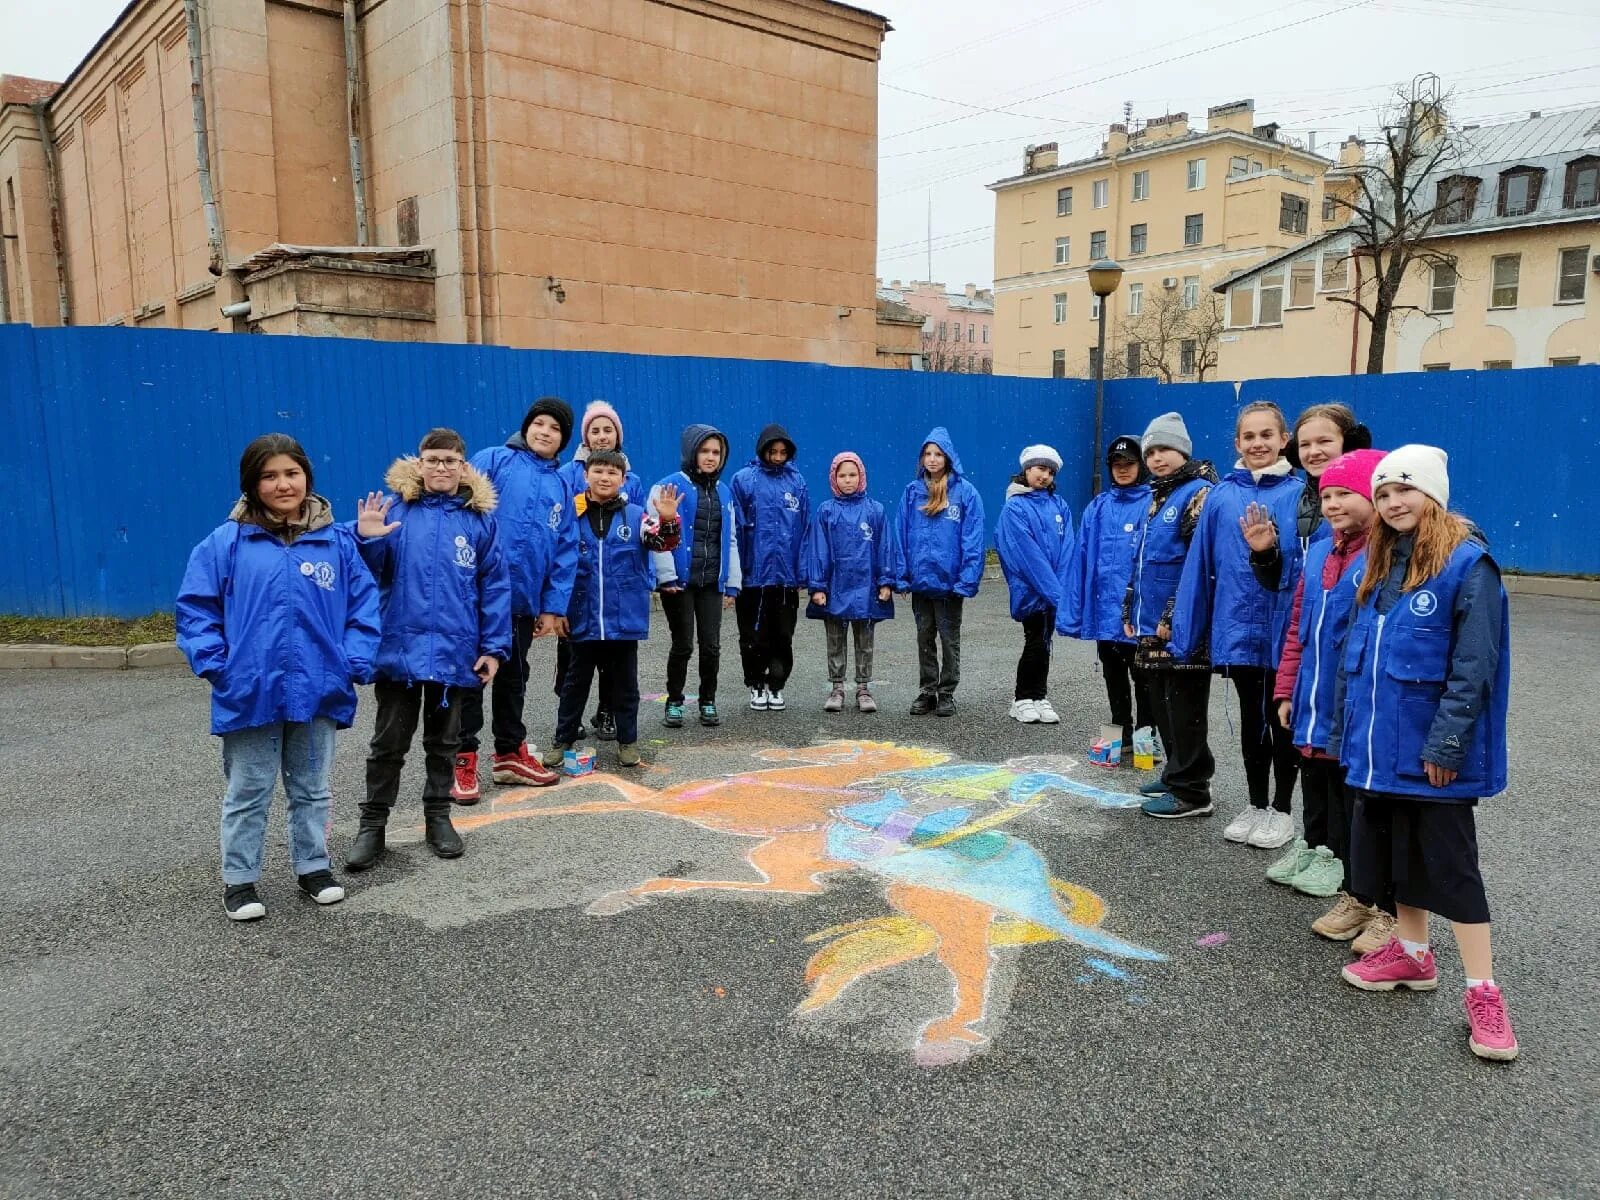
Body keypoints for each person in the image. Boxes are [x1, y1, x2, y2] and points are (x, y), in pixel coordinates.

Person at [1329, 446, 1518, 1063]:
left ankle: (1484, 993)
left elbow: (1475, 667)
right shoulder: (1379, 572)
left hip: (1432, 754)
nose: (1392, 502)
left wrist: (1448, 743)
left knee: (1453, 872)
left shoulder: (1469, 566)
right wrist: (1343, 736)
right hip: (1377, 753)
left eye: (1404, 490)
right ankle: (1413, 956)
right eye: (1383, 494)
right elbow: (1353, 667)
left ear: (1433, 495)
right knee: (1397, 857)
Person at [177, 433, 380, 921]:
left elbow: (363, 607)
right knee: (249, 788)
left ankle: (313, 867)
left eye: (291, 473)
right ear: (252, 484)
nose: (283, 484)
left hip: (319, 687)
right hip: (250, 690)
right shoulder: (225, 544)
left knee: (312, 786)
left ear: (307, 476)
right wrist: (217, 665)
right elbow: (196, 610)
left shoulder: (336, 544)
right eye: (269, 476)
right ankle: (240, 880)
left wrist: (352, 662)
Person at [346, 429, 511, 872]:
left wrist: (493, 648)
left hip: (455, 653)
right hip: (398, 651)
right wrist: (369, 540)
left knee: (444, 743)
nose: (441, 467)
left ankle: (438, 817)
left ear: (463, 466)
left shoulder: (479, 521)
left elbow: (495, 587)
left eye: (450, 460)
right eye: (433, 459)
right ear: (418, 464)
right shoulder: (394, 512)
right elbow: (366, 577)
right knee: (387, 744)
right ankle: (373, 827)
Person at [1255, 449, 1396, 949]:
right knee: (1319, 784)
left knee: (1363, 804)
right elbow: (1298, 627)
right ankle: (1353, 889)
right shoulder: (1320, 552)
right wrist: (1287, 687)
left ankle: (1383, 905)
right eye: (1327, 495)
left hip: (1358, 702)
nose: (1333, 503)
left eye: (1346, 494)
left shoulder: (1386, 553)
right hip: (1314, 698)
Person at [1170, 401, 1306, 849]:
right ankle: (1255, 802)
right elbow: (1200, 565)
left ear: (1283, 439)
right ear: (1237, 443)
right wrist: (1189, 632)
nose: (1258, 444)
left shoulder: (1301, 494)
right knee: (1252, 720)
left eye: (1267, 435)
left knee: (1281, 719)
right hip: (1238, 628)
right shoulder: (1221, 497)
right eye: (1249, 436)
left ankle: (1282, 809)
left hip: (1286, 630)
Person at [453, 398, 576, 798]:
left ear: (563, 440)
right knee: (471, 677)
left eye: (554, 428)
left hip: (523, 602)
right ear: (526, 428)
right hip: (477, 596)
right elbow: (460, 509)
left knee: (514, 678)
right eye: (539, 423)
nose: (545, 431)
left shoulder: (562, 484)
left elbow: (564, 550)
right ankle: (462, 758)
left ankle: (509, 754)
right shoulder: (494, 460)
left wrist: (553, 606)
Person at [547, 451, 682, 768]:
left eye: (612, 472)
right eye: (598, 471)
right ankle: (562, 739)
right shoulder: (571, 515)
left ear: (623, 480)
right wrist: (557, 609)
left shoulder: (637, 517)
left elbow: (662, 543)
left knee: (625, 687)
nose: (604, 477)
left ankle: (628, 742)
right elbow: (558, 565)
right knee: (574, 685)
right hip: (582, 618)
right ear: (586, 476)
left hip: (623, 622)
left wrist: (667, 519)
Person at [1125, 413, 1219, 820]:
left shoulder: (1199, 494)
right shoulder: (1157, 496)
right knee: (1162, 703)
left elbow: (1197, 565)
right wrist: (1131, 604)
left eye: (1165, 449)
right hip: (1152, 625)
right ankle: (1176, 772)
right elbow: (1145, 561)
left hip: (1181, 625)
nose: (1157, 458)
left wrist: (1171, 614)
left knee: (1184, 706)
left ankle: (1193, 792)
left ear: (1183, 451)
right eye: (1151, 452)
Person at [555, 400, 645, 743]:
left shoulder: (631, 478)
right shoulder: (567, 474)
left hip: (617, 585)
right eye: (595, 430)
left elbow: (639, 526)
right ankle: (569, 720)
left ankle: (608, 712)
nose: (602, 436)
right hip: (579, 582)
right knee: (574, 660)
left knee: (616, 660)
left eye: (608, 430)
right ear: (586, 436)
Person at [1058, 435, 1152, 754]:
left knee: (1145, 681)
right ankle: (1119, 735)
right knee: (1113, 677)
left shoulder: (1152, 503)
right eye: (1116, 464)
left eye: (1129, 463)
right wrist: (1074, 609)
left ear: (1142, 465)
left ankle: (1146, 743)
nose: (1123, 470)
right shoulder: (1098, 507)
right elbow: (1081, 558)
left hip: (1137, 614)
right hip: (1104, 614)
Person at [652, 424, 741, 729]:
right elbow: (656, 532)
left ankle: (707, 700)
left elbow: (729, 539)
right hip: (679, 583)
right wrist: (666, 577)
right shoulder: (669, 487)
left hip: (711, 582)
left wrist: (732, 582)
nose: (710, 457)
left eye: (716, 452)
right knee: (683, 644)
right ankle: (674, 700)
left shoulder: (725, 492)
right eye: (704, 451)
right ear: (692, 452)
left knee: (711, 645)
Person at [896, 428, 986, 717]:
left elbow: (973, 538)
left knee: (949, 639)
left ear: (948, 458)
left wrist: (967, 578)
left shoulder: (965, 493)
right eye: (928, 454)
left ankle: (947, 692)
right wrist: (901, 574)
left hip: (950, 585)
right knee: (924, 637)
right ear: (921, 458)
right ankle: (927, 690)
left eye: (938, 454)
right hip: (921, 582)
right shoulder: (912, 493)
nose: (932, 460)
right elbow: (900, 535)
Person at [804, 451, 898, 714]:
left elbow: (885, 548)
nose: (848, 480)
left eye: (852, 474)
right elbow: (818, 550)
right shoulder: (826, 511)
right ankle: (837, 687)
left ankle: (863, 688)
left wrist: (886, 581)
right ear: (834, 478)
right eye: (842, 475)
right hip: (835, 588)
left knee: (864, 640)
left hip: (866, 588)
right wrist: (818, 586)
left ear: (862, 476)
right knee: (835, 639)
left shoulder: (875, 511)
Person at [731, 424, 809, 712]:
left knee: (783, 635)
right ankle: (756, 684)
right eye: (772, 451)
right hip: (753, 577)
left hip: (786, 577)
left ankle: (777, 684)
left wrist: (802, 572)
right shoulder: (744, 480)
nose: (777, 457)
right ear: (762, 450)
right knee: (753, 636)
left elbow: (804, 529)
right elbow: (735, 531)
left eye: (783, 452)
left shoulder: (797, 482)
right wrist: (737, 572)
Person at [996, 445, 1074, 724]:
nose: (1045, 476)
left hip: (1055, 591)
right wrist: (1055, 592)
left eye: (1050, 472)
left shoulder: (1059, 505)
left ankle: (1039, 695)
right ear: (1027, 469)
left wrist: (1061, 588)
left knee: (1044, 641)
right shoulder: (1015, 507)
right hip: (1031, 590)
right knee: (1035, 641)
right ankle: (1021, 698)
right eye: (1041, 469)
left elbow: (1068, 549)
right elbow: (1026, 556)